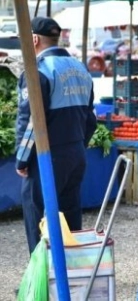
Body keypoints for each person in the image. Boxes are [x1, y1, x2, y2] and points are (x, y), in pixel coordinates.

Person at [16, 17, 97, 254]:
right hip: (76, 153)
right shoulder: (80, 68)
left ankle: (41, 278)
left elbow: (31, 121)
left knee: (36, 215)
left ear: (34, 39)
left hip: (46, 155)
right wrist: (78, 145)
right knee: (70, 215)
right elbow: (90, 118)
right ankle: (72, 271)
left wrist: (22, 158)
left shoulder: (38, 71)